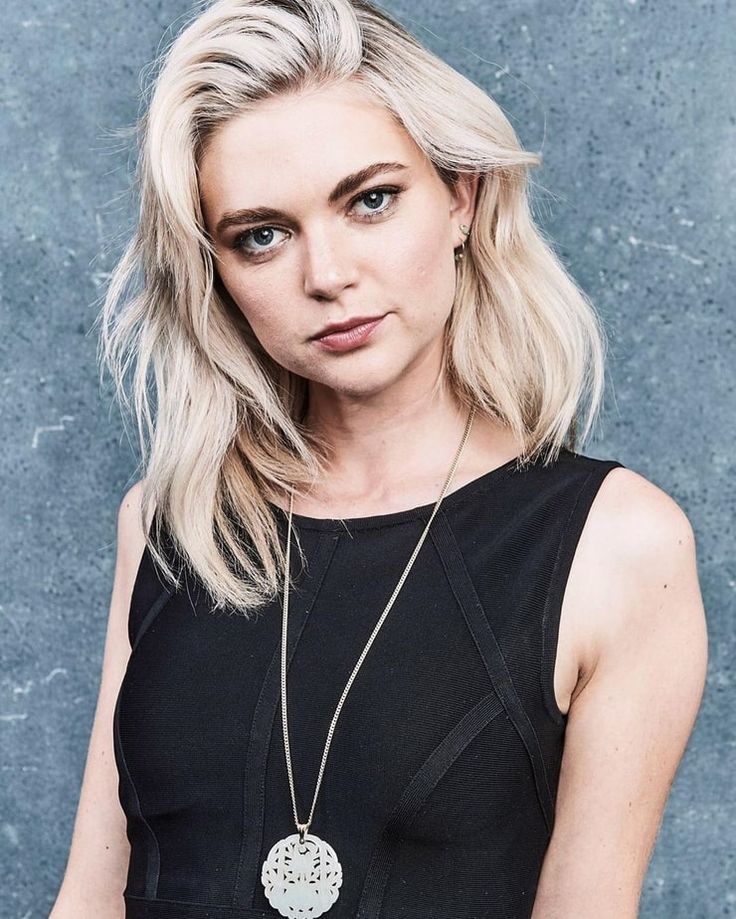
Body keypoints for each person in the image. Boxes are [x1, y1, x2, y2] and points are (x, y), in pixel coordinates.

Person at [51, 0, 708, 917]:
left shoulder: (618, 545)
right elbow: (91, 897)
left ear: (460, 198)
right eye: (262, 235)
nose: (326, 274)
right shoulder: (173, 525)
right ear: (219, 274)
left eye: (370, 199)